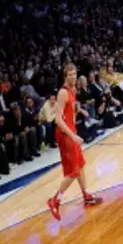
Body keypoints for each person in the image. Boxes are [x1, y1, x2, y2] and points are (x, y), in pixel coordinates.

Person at [47, 64, 102, 221]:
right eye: (70, 74)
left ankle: (86, 195)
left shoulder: (73, 90)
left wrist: (80, 110)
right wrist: (73, 136)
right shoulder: (63, 92)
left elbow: (68, 110)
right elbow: (58, 120)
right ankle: (54, 200)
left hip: (71, 131)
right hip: (65, 134)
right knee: (73, 171)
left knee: (81, 164)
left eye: (74, 73)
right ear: (65, 76)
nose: (73, 76)